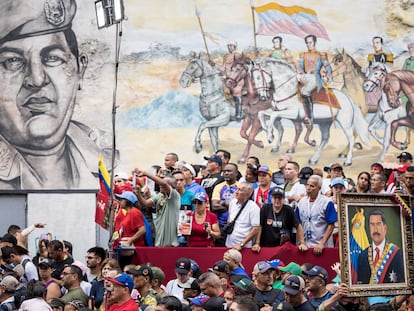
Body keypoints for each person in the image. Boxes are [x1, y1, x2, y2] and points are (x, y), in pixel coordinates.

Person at [0, 0, 115, 190]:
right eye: (13, 60)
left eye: (53, 58)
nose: (37, 79)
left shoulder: (105, 161)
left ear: (81, 70)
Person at [134, 168, 181, 247]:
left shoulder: (174, 195)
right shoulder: (160, 196)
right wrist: (138, 194)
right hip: (159, 239)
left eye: (163, 183)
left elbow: (163, 183)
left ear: (170, 186)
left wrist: (146, 173)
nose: (160, 185)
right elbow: (145, 203)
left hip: (170, 242)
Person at [357, 209, 405, 284]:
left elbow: (402, 282)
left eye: (378, 224)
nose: (375, 229)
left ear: (385, 228)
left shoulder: (397, 253)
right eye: (372, 225)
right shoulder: (362, 256)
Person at [296, 175, 338, 254]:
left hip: (322, 246)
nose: (308, 188)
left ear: (319, 188)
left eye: (312, 186)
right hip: (305, 246)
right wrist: (301, 242)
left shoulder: (326, 203)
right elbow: (298, 224)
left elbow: (331, 224)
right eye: (307, 185)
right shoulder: (301, 203)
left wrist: (322, 243)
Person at [298, 34, 332, 126]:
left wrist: (327, 77)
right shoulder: (303, 55)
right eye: (307, 43)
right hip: (305, 76)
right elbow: (300, 67)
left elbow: (328, 68)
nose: (308, 44)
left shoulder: (321, 55)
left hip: (315, 78)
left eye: (310, 42)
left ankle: (309, 117)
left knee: (304, 91)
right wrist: (301, 75)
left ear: (314, 42)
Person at [112, 191, 146, 267]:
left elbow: (142, 230)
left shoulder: (134, 212)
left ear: (127, 201)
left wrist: (130, 240)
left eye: (121, 199)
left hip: (132, 249)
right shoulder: (128, 213)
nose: (119, 201)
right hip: (125, 248)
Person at [225, 182, 261, 251]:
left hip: (244, 247)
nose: (236, 192)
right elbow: (229, 218)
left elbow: (256, 228)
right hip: (229, 244)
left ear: (247, 194)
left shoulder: (254, 208)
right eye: (237, 189)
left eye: (240, 190)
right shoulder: (232, 202)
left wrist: (242, 244)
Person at [211, 163, 240, 246]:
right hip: (221, 224)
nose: (226, 173)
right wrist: (232, 205)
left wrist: (223, 203)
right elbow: (214, 206)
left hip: (237, 225)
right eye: (224, 171)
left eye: (229, 171)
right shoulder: (219, 187)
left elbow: (241, 207)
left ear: (236, 173)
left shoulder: (241, 187)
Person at [220, 41, 243, 121]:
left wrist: (230, 74)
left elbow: (239, 66)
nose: (230, 47)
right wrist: (222, 73)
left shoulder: (237, 55)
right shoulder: (226, 56)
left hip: (236, 78)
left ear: (234, 47)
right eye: (229, 46)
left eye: (231, 46)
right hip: (226, 77)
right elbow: (223, 67)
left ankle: (238, 115)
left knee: (237, 95)